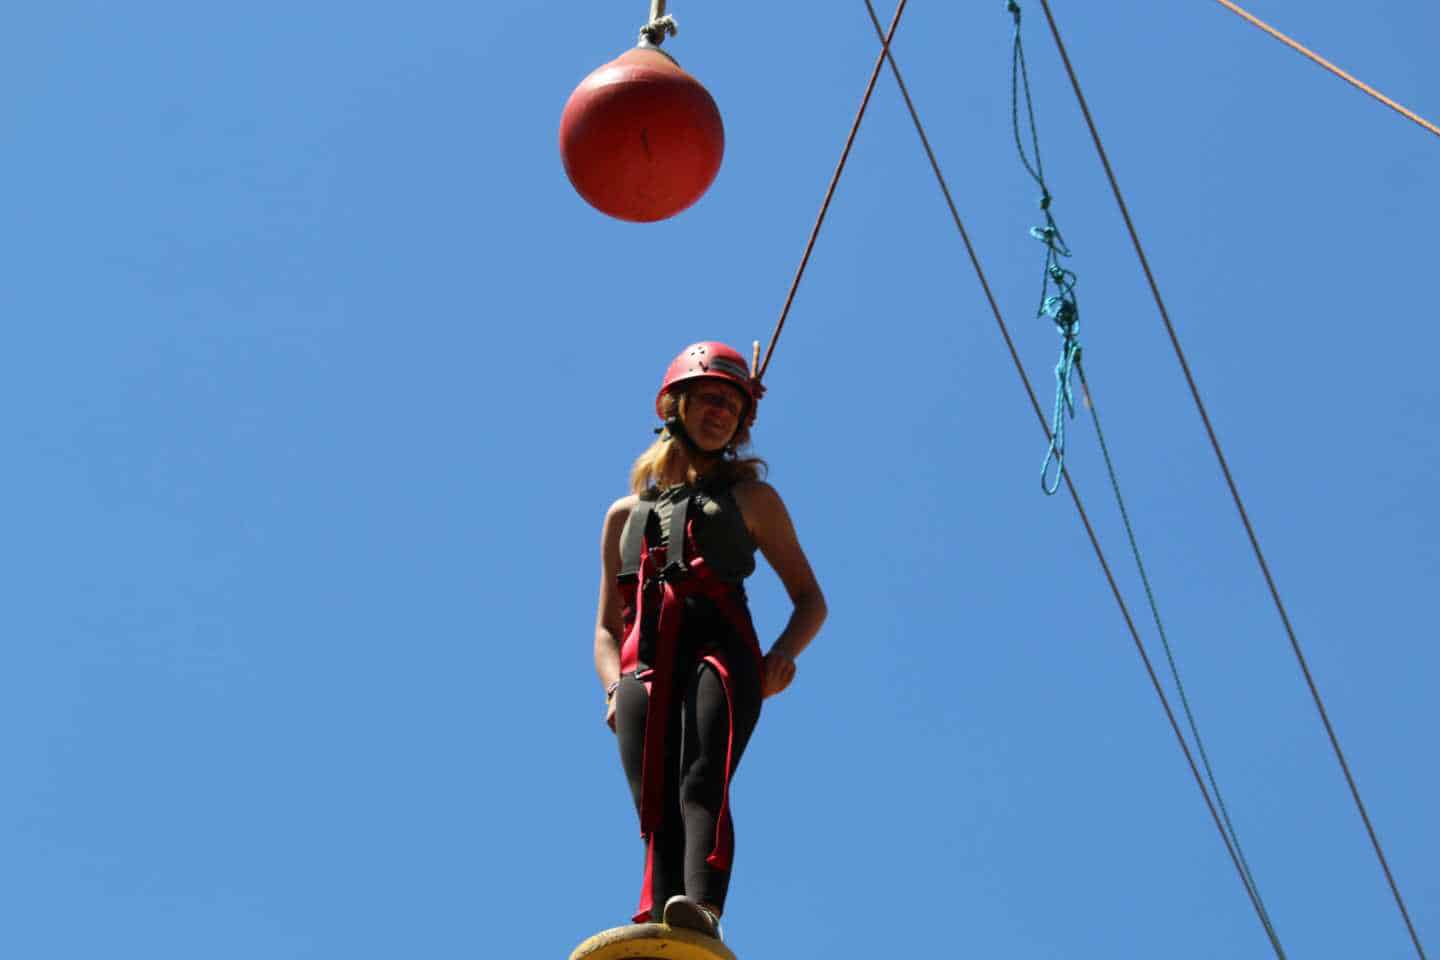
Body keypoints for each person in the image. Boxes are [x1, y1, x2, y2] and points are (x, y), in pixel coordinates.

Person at [593, 341, 827, 941]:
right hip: (644, 665)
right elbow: (606, 627)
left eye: (733, 405)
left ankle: (702, 911)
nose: (721, 412)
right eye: (709, 398)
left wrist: (780, 657)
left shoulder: (752, 500)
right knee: (655, 803)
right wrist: (615, 687)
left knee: (701, 775)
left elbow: (810, 600)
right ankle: (660, 921)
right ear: (676, 407)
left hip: (721, 652)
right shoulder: (624, 516)